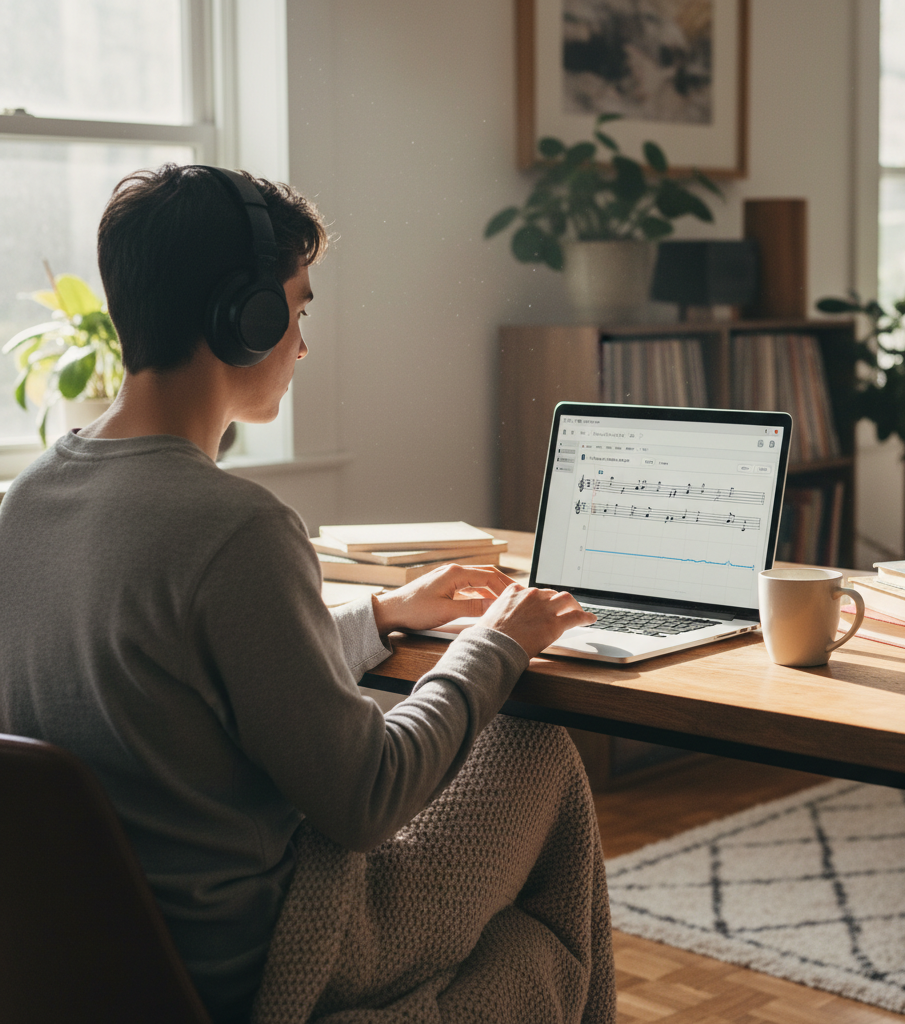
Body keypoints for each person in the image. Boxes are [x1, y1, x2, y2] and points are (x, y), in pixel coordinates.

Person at [0, 165, 615, 1023]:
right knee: (535, 753)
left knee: (529, 951)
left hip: (98, 959)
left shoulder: (24, 502)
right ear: (244, 317)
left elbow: (184, 684)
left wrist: (379, 617)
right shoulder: (236, 527)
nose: (301, 341)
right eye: (298, 307)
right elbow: (365, 800)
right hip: (268, 958)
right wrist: (496, 644)